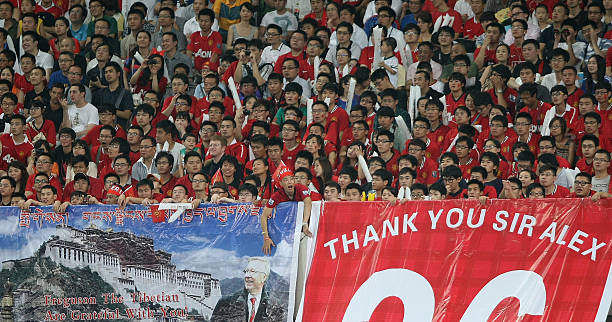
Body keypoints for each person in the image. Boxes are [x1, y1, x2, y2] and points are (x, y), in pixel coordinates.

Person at [210, 257, 284, 321]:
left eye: (252, 271)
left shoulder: (275, 307)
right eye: (246, 271)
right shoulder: (226, 303)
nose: (247, 275)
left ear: (264, 277)